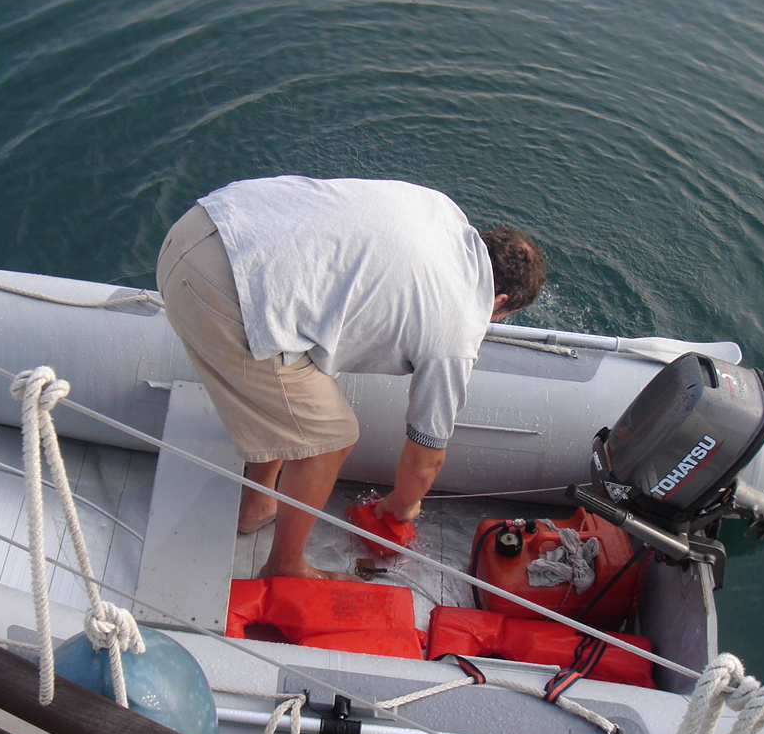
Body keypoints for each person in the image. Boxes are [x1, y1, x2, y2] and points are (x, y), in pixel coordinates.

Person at [155, 176, 545, 580]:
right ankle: (285, 569)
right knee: (330, 438)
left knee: (293, 387)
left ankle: (258, 505)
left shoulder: (440, 208)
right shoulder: (459, 327)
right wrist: (401, 507)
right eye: (498, 318)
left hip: (204, 224)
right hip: (221, 288)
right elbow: (426, 456)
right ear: (499, 301)